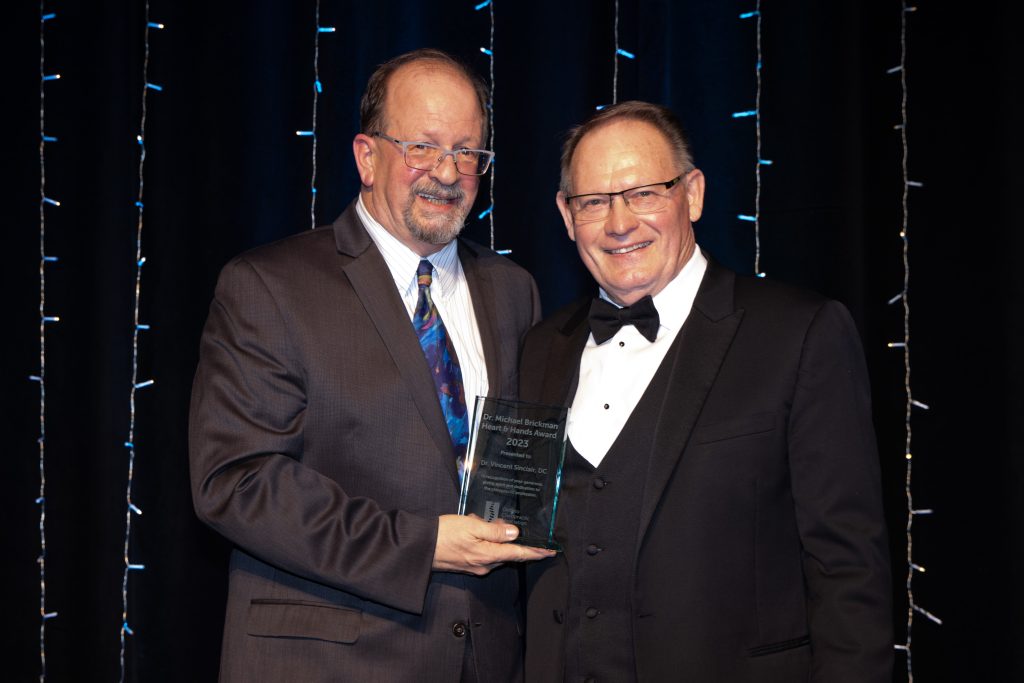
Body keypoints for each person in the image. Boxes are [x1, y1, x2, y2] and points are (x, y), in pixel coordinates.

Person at [188, 48, 552, 683]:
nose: (448, 171)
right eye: (423, 147)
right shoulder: (270, 285)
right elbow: (237, 482)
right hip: (325, 661)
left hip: (485, 659)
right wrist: (421, 546)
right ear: (366, 156)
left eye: (468, 152)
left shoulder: (512, 289)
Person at [520, 101, 892, 682]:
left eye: (644, 193)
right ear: (567, 217)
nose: (619, 223)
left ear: (691, 194)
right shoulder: (540, 347)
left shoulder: (799, 333)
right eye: (594, 202)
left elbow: (849, 569)